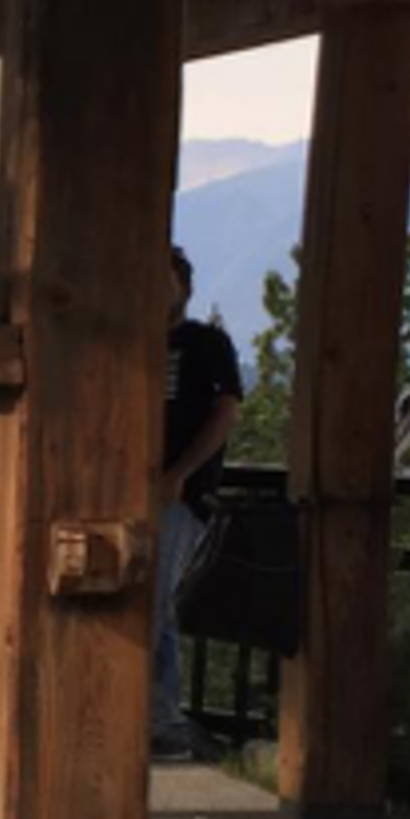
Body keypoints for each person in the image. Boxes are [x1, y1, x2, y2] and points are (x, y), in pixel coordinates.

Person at [153, 245, 245, 764]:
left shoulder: (206, 344)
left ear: (184, 287)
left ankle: (163, 721)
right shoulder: (131, 345)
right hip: (130, 491)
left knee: (155, 604)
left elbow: (225, 411)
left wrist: (180, 475)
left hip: (179, 498)